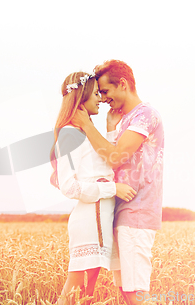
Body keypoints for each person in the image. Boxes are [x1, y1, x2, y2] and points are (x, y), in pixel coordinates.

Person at [71, 60, 164, 305]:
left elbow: (115, 157)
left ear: (122, 84)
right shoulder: (126, 120)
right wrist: (110, 129)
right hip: (122, 213)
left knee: (137, 293)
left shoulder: (145, 114)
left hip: (137, 213)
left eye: (105, 91)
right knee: (127, 291)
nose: (102, 99)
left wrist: (87, 125)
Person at [50, 71, 137, 305]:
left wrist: (109, 128)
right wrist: (113, 189)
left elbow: (107, 161)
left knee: (84, 296)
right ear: (82, 96)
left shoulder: (83, 133)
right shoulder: (70, 134)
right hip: (91, 220)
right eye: (96, 93)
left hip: (99, 219)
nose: (100, 98)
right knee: (75, 294)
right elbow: (69, 186)